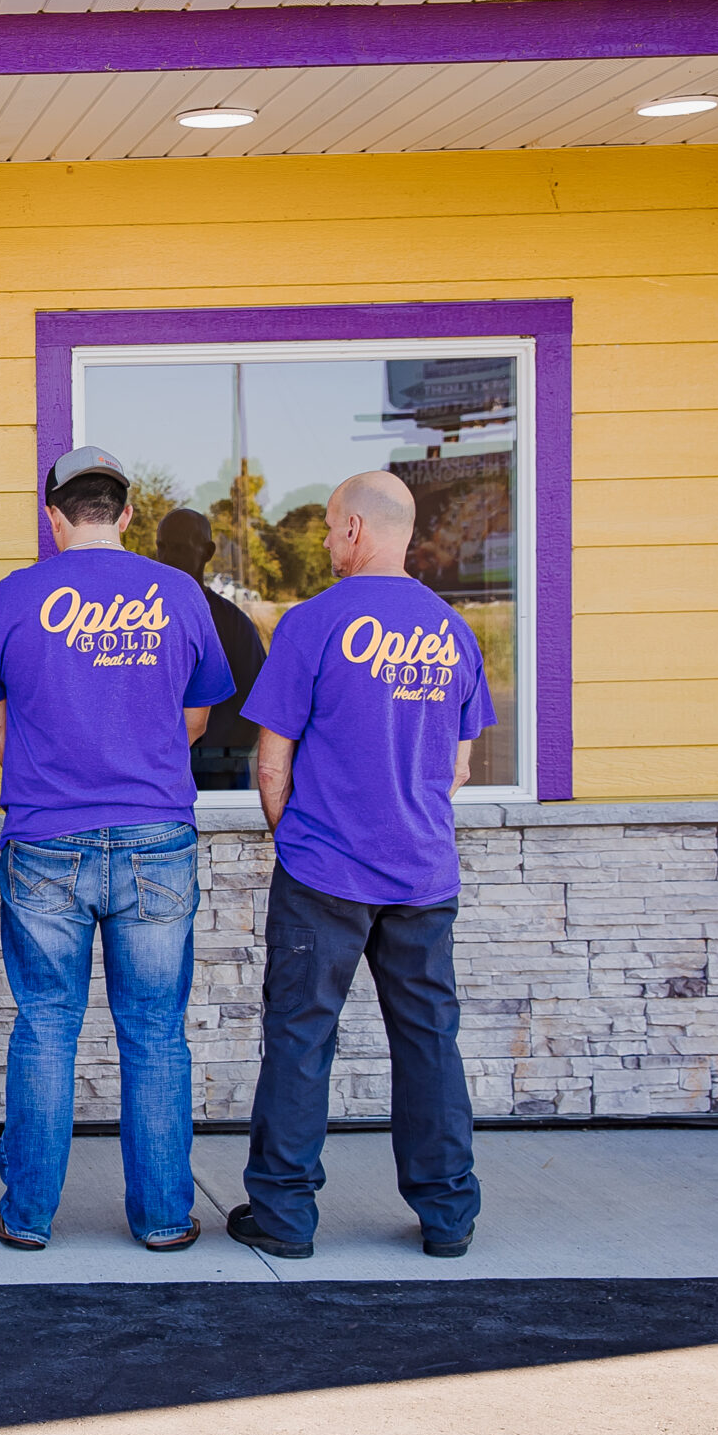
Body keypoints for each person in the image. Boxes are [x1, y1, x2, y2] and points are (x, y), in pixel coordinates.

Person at [0, 447, 234, 1252]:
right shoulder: (180, 594)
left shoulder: (15, 595)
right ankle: (162, 1217)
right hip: (156, 836)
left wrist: (52, 772)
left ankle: (28, 1217)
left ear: (53, 516)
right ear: (124, 513)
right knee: (154, 1028)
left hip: (46, 837)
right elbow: (195, 720)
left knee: (45, 1023)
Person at [229, 470, 494, 1262]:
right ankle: (448, 1213)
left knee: (302, 1037)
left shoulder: (311, 624)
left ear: (354, 530)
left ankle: (283, 1214)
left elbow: (271, 764)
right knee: (428, 1040)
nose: (321, 540)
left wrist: (297, 839)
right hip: (421, 871)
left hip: (325, 872)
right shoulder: (454, 631)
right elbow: (459, 768)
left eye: (328, 526)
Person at [155, 507, 268, 791]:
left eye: (179, 548)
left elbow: (257, 706)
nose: (166, 557)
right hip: (156, 778)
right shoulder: (142, 619)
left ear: (207, 552)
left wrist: (219, 762)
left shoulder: (234, 626)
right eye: (161, 547)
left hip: (219, 780)